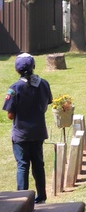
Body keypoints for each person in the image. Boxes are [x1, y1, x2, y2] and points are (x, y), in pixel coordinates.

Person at [4, 53, 51, 202]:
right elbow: (46, 105)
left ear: (17, 69)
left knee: (23, 165)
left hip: (21, 134)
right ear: (33, 66)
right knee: (38, 164)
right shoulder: (43, 83)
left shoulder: (14, 88)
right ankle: (42, 196)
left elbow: (10, 115)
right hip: (38, 132)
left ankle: (22, 200)